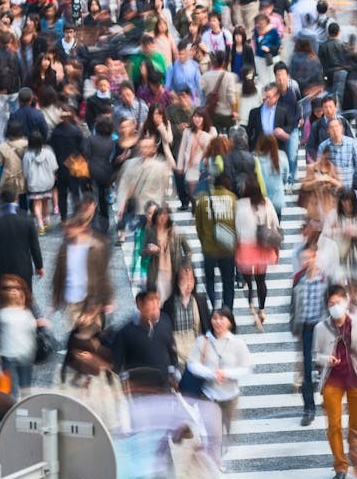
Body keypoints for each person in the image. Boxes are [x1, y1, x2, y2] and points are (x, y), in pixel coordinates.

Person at [313, 284, 357, 479]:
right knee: (334, 423)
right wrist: (326, 359)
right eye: (331, 303)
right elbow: (315, 355)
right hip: (333, 379)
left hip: (356, 376)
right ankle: (340, 465)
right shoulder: (321, 328)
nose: (335, 306)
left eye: (338, 302)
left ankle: (356, 455)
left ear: (346, 302)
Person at [184, 307, 252, 457]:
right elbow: (192, 364)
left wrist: (226, 374)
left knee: (229, 434)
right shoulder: (202, 341)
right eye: (215, 318)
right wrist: (212, 374)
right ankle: (216, 464)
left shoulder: (237, 343)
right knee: (214, 437)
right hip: (209, 396)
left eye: (222, 318)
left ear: (230, 322)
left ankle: (221, 456)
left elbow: (247, 367)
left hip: (230, 397)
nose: (218, 322)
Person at [235, 178, 280, 330]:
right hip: (263, 247)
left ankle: (251, 306)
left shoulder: (240, 205)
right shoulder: (266, 202)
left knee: (248, 282)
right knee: (261, 281)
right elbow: (275, 223)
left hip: (246, 248)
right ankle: (262, 309)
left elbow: (236, 227)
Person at [292, 246, 329, 427]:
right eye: (303, 259)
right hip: (306, 328)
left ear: (315, 257)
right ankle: (308, 408)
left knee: (326, 365)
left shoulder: (325, 279)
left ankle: (329, 399)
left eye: (309, 258)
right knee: (307, 368)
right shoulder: (299, 279)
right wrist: (294, 325)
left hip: (323, 328)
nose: (306, 262)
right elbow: (294, 304)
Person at [111, 290, 178, 391]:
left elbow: (171, 350)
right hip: (139, 390)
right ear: (139, 304)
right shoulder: (125, 331)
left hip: (163, 387)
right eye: (151, 301)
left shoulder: (165, 321)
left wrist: (172, 374)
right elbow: (117, 365)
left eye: (157, 300)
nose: (156, 307)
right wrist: (125, 383)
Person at [194, 174, 239, 309]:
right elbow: (237, 224)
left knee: (210, 280)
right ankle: (227, 309)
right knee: (228, 282)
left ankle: (213, 307)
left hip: (209, 249)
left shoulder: (203, 200)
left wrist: (204, 242)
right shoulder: (232, 199)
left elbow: (199, 226)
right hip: (227, 249)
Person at [0, 189, 43, 292]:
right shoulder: (27, 219)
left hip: (1, 267)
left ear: (1, 200)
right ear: (16, 199)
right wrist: (39, 266)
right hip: (23, 266)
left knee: (5, 298)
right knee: (25, 297)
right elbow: (34, 246)